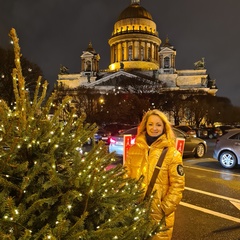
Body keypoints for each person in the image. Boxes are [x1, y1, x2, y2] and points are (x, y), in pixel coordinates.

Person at [124, 109, 185, 240]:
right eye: (150, 124)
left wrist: (164, 210)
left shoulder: (172, 154)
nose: (154, 128)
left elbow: (178, 185)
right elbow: (126, 176)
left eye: (158, 125)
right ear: (145, 125)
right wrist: (126, 199)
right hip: (135, 210)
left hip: (159, 215)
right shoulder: (134, 150)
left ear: (164, 128)